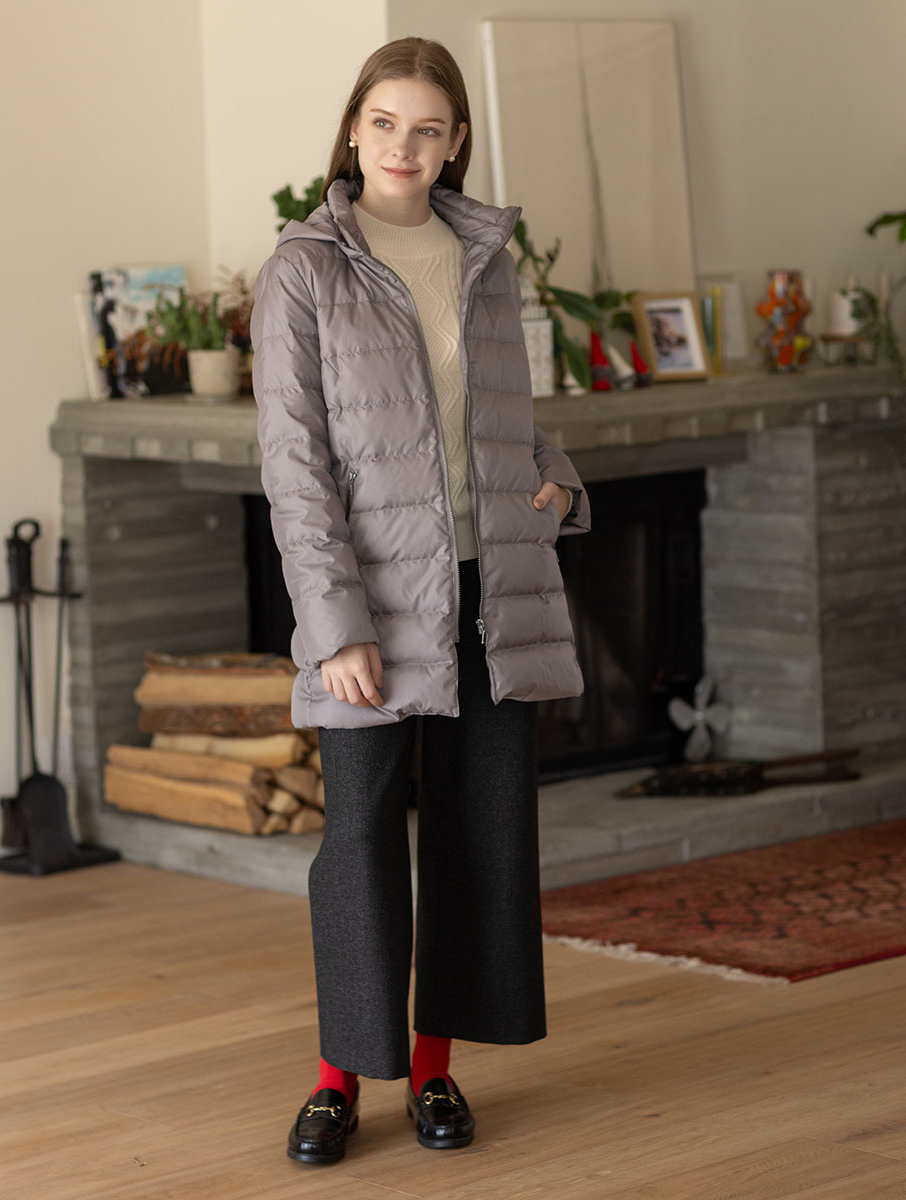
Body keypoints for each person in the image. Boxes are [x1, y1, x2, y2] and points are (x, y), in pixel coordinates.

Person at [250, 36, 591, 1167]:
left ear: (455, 144)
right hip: (374, 603)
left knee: (477, 831)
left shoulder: (483, 256)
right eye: (386, 122)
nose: (404, 145)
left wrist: (559, 480)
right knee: (357, 841)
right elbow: (294, 467)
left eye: (428, 128)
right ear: (355, 130)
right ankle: (336, 1081)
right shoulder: (302, 269)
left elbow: (505, 411)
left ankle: (438, 1069)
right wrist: (334, 627)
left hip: (491, 585)